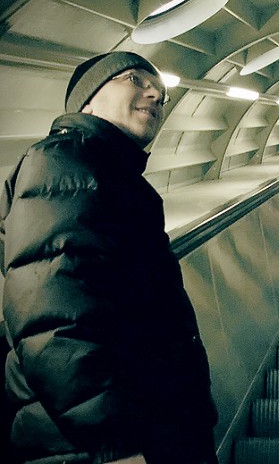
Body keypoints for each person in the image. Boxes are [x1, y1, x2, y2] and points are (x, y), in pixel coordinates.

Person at [0, 52, 218, 463]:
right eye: (135, 79)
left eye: (162, 94)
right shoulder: (62, 164)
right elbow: (52, 319)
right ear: (88, 100)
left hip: (153, 422)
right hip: (104, 442)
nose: (155, 94)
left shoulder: (106, 172)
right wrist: (114, 443)